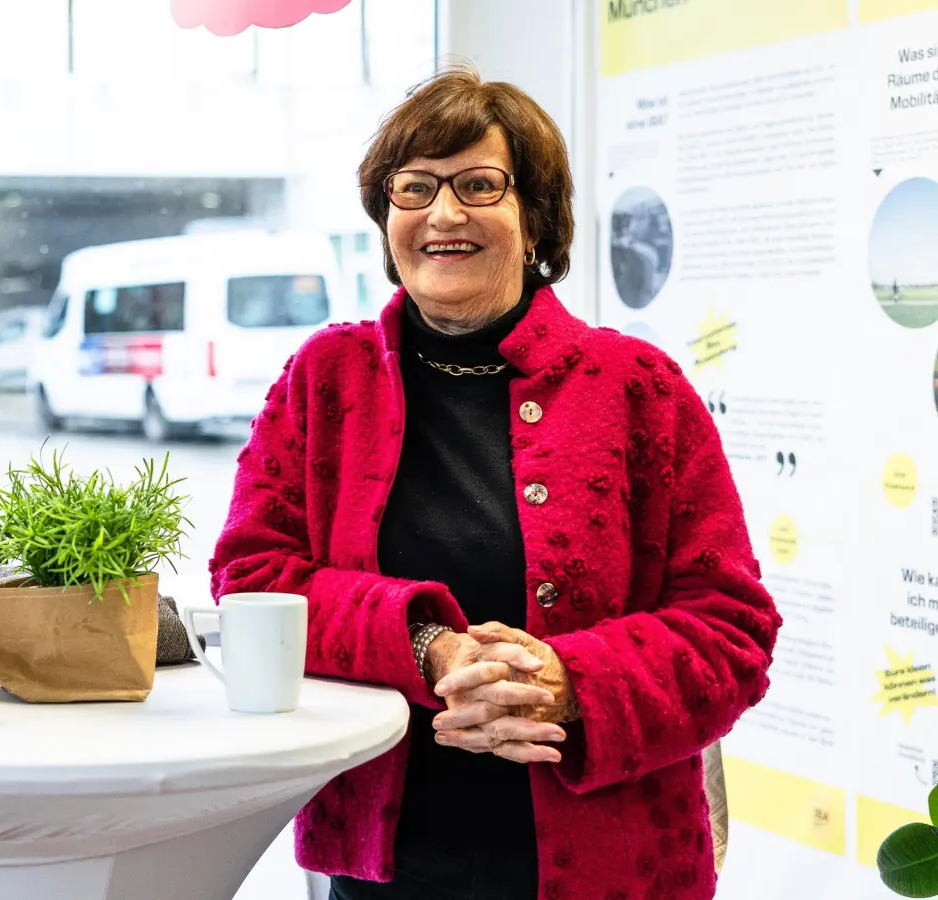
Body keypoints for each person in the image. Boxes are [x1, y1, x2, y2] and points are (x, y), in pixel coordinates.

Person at [210, 68, 780, 900]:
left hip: (612, 866)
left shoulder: (637, 387)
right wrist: (425, 646)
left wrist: (569, 685)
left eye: (479, 185)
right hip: (387, 867)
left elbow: (730, 627)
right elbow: (250, 580)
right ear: (385, 215)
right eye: (414, 188)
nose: (443, 214)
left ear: (536, 217)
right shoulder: (323, 380)